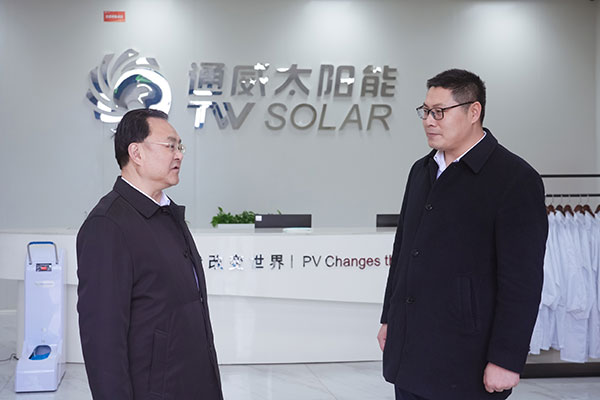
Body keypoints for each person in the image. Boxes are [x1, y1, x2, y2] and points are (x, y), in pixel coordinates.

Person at [377, 69, 548, 400]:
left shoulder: (515, 179)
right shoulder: (421, 170)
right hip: (411, 351)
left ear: (473, 111)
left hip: (467, 359)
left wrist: (506, 358)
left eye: (440, 112)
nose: (429, 121)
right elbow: (403, 252)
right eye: (426, 111)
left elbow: (522, 282)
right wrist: (390, 318)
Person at [77, 109, 223, 399]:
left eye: (180, 147)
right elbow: (103, 340)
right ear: (136, 153)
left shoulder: (167, 214)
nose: (179, 155)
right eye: (170, 146)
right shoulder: (108, 225)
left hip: (193, 383)